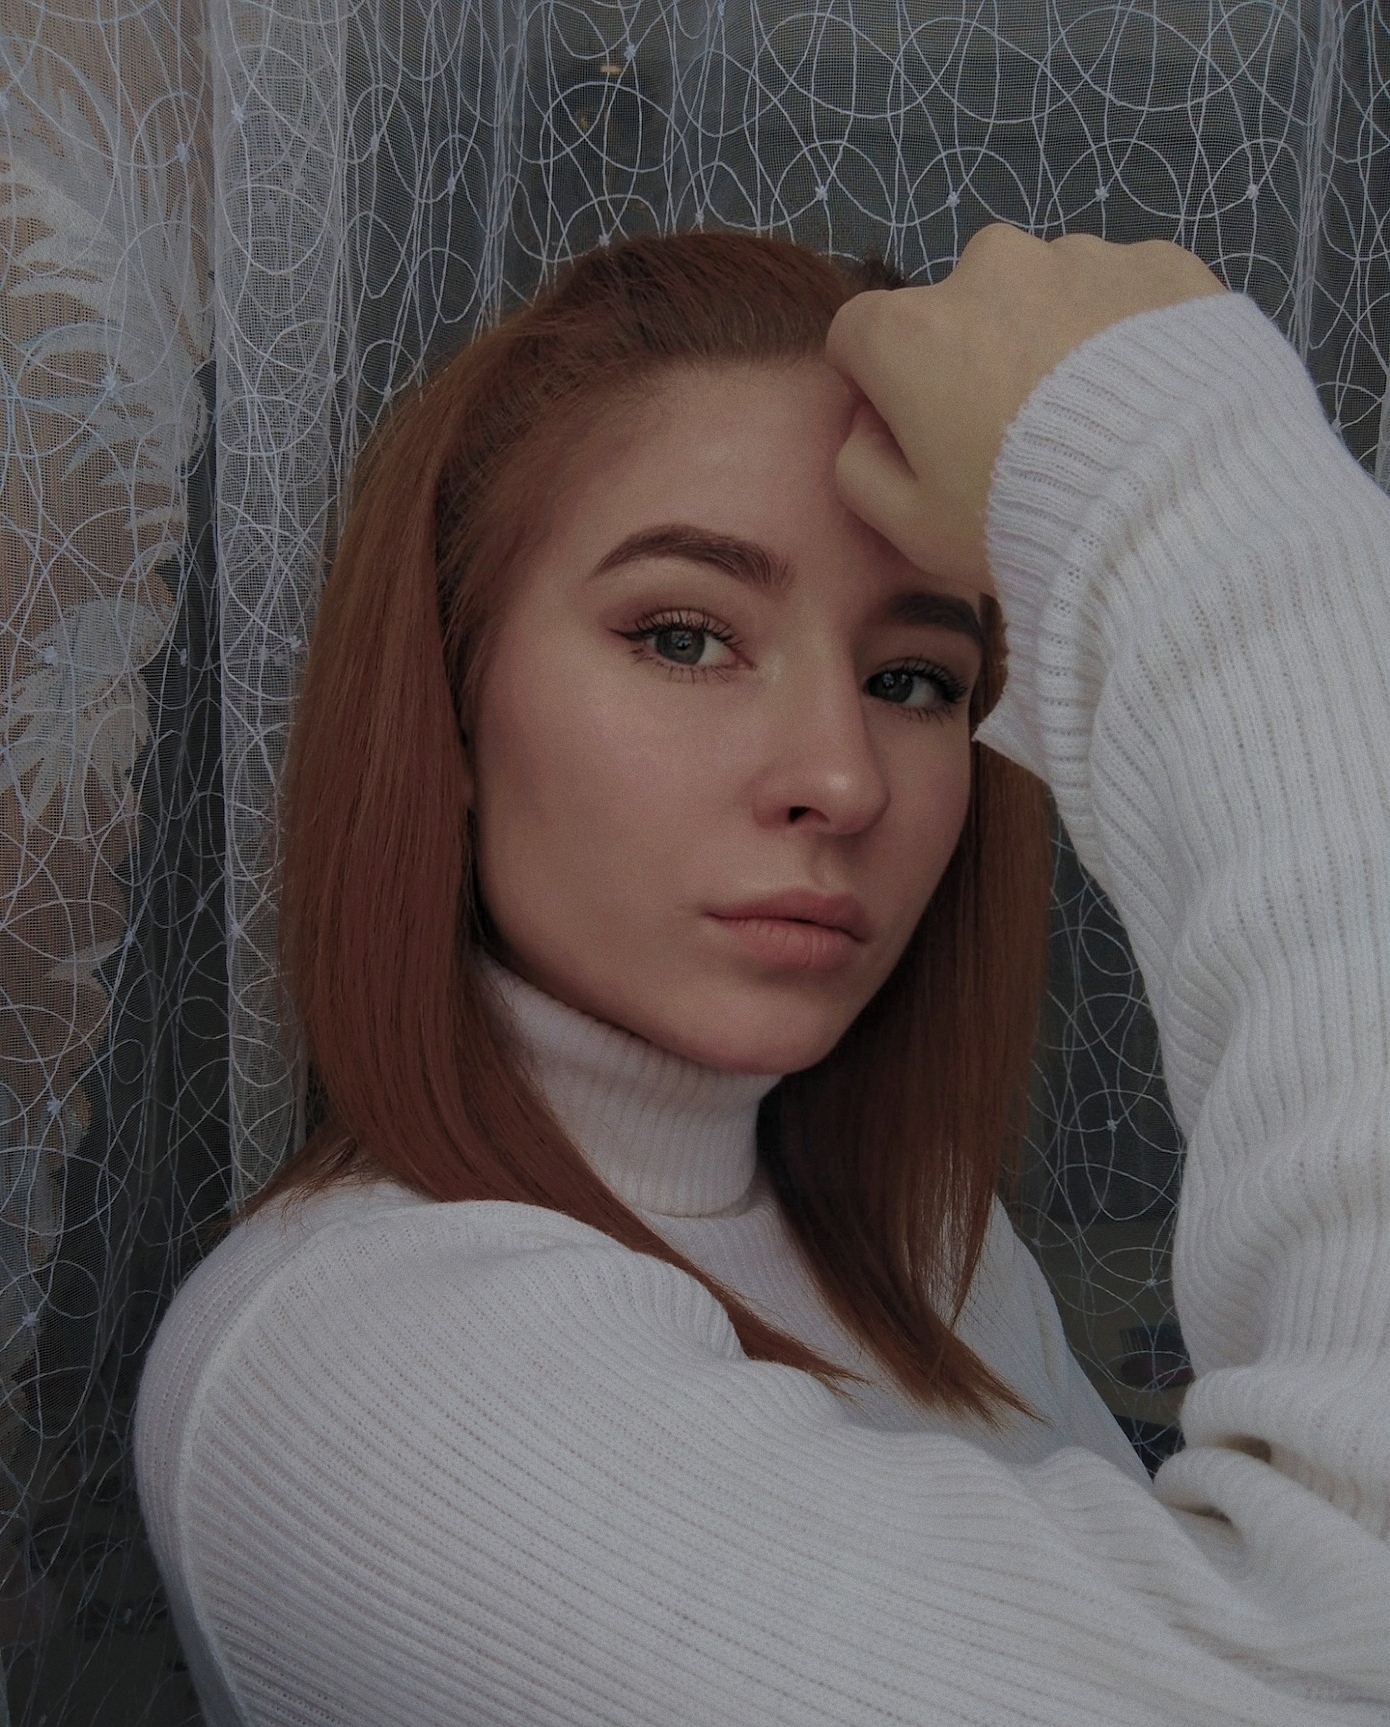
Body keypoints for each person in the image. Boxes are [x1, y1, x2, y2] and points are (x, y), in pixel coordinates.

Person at [134, 224, 1390, 1725]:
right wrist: (1197, 517)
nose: (841, 781)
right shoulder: (352, 1372)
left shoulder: (929, 1242)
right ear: (451, 708)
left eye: (913, 679)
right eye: (684, 639)